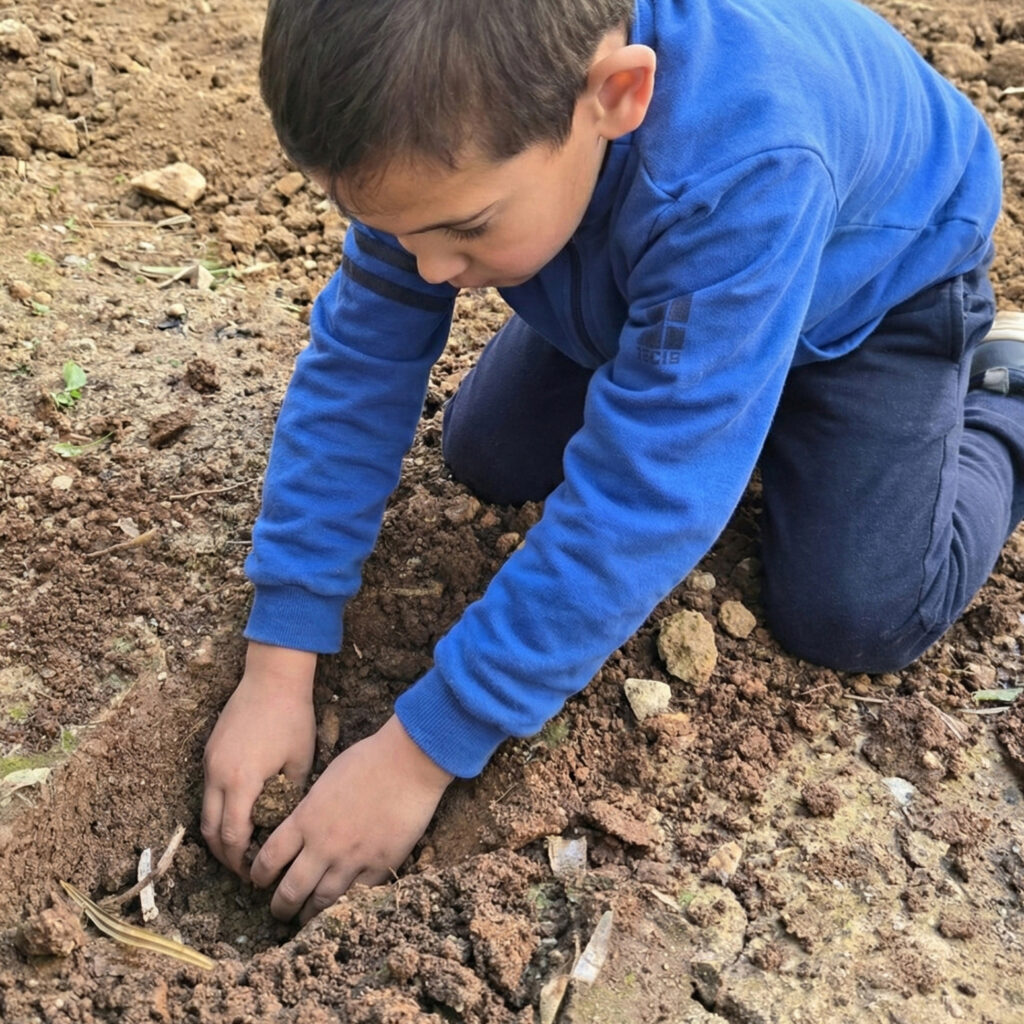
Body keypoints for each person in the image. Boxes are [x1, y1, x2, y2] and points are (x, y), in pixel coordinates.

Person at [201, 0, 1024, 923]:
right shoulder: (440, 118)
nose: (428, 270)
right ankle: (721, 392)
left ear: (617, 95)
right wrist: (280, 660)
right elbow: (359, 365)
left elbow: (647, 497)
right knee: (487, 453)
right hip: (655, 286)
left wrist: (420, 753)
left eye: (466, 229)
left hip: (876, 296)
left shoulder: (747, 160)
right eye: (397, 232)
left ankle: (1004, 403)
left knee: (856, 611)